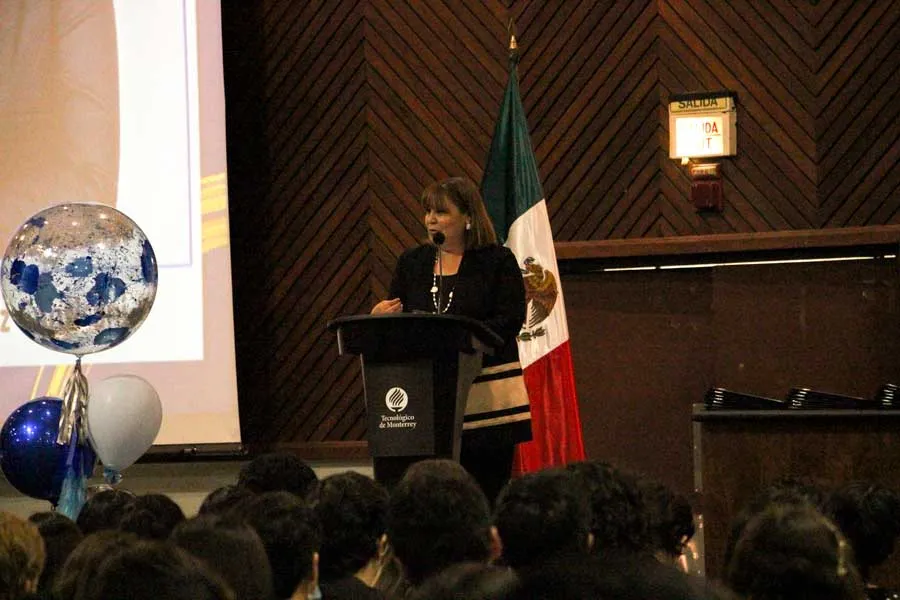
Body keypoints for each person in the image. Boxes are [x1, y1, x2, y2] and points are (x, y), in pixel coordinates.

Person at [371, 177, 530, 501]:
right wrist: (378, 320)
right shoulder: (412, 263)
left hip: (486, 397)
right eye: (427, 211)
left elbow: (510, 320)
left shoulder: (497, 261)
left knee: (484, 493)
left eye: (441, 212)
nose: (431, 219)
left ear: (468, 217)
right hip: (423, 399)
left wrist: (464, 338)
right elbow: (397, 316)